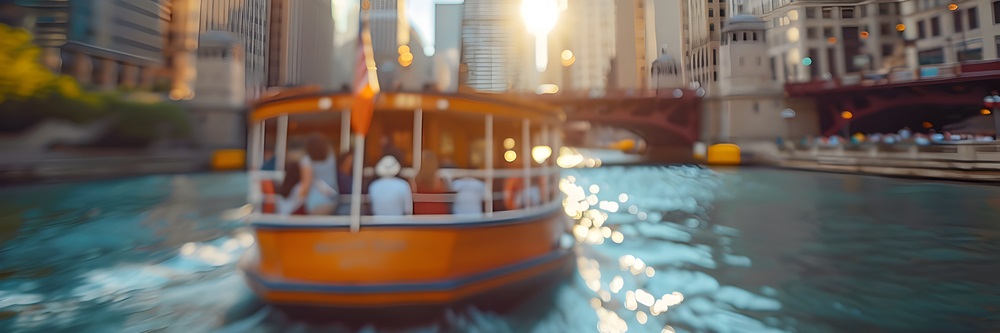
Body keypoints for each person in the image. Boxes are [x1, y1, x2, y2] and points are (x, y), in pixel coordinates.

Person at [294, 133, 338, 215]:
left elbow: (306, 185)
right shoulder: (331, 157)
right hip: (333, 199)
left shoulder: (306, 161)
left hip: (315, 202)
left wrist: (294, 200)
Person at [335, 149, 354, 215]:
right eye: (348, 161)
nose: (351, 163)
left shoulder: (353, 178)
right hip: (340, 206)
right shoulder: (337, 176)